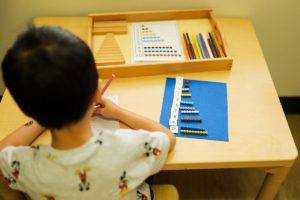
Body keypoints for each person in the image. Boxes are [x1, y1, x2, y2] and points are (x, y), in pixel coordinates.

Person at [0, 26, 176, 200]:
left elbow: (3, 149)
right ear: (97, 92)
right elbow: (168, 138)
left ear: (26, 110)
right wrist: (119, 112)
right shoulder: (126, 148)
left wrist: (47, 113)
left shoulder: (27, 166)